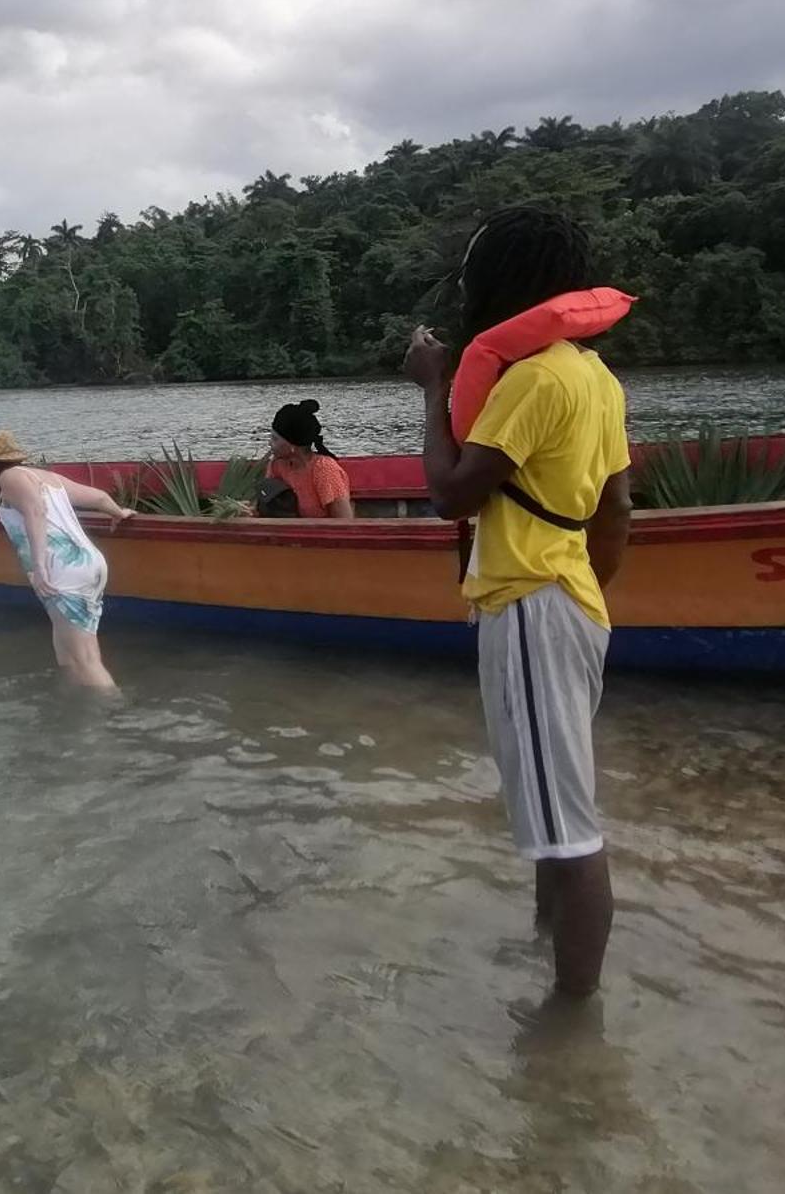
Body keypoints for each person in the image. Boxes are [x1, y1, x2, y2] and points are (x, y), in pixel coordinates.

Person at [402, 206, 632, 999]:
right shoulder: (594, 376)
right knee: (553, 802)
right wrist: (585, 602)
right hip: (572, 602)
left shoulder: (533, 378)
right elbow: (617, 509)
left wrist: (432, 388)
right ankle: (546, 950)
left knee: (568, 831)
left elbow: (450, 495)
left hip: (532, 605)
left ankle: (570, 1033)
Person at [0, 431, 135, 689]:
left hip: (61, 570)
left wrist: (41, 566)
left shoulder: (10, 476)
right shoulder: (48, 478)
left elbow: (36, 511)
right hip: (89, 564)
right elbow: (98, 497)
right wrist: (118, 512)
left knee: (85, 660)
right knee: (68, 656)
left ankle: (114, 714)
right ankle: (77, 710)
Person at [264, 399, 355, 519]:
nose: (269, 443)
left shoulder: (324, 469)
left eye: (275, 439)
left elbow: (345, 521)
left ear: (292, 446)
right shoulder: (277, 465)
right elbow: (266, 501)